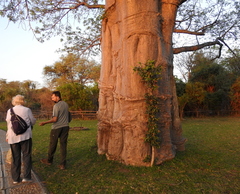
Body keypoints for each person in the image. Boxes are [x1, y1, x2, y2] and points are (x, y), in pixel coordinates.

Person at [6, 95, 36, 184]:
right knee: (26, 156)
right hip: (25, 136)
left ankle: (16, 178)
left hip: (13, 136)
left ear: (14, 101)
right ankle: (26, 177)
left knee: (15, 157)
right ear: (23, 101)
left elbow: (9, 123)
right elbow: (32, 121)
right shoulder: (27, 110)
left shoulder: (10, 111)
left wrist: (7, 136)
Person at [39, 91, 70, 170]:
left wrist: (44, 122)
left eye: (52, 97)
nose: (52, 99)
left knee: (53, 145)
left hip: (56, 128)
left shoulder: (56, 106)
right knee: (63, 145)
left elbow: (55, 119)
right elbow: (69, 116)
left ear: (57, 96)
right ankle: (63, 164)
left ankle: (49, 160)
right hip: (65, 127)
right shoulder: (66, 104)